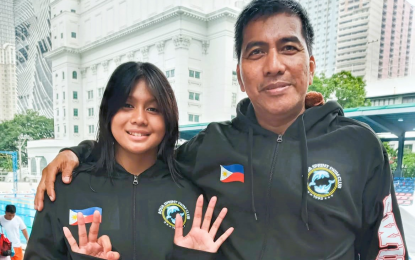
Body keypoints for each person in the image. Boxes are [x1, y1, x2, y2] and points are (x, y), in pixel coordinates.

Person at [35, 0, 409, 259]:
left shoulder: (358, 145)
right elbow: (142, 152)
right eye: (257, 52)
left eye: (289, 48)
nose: (274, 65)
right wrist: (77, 153)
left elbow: (388, 249)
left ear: (309, 63)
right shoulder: (211, 146)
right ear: (241, 76)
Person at [24, 62, 233, 260]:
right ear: (108, 113)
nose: (139, 118)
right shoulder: (67, 188)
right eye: (127, 105)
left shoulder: (193, 192)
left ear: (168, 118)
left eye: (153, 109)